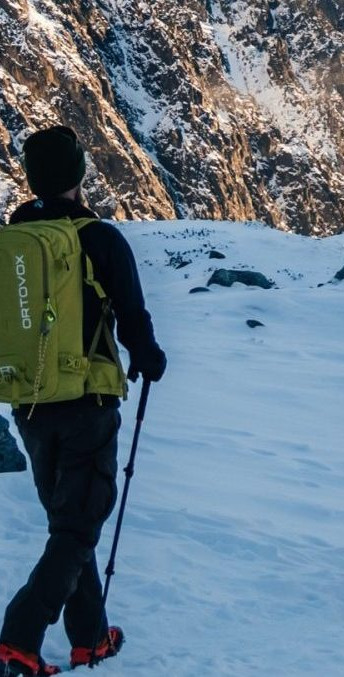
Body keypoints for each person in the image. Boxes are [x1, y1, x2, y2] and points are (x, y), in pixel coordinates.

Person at [0, 126, 166, 677]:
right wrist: (148, 357)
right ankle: (18, 639)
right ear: (78, 176)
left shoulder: (13, 241)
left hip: (29, 402)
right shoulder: (98, 239)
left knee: (71, 521)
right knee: (78, 525)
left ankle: (89, 639)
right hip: (87, 402)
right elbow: (134, 317)